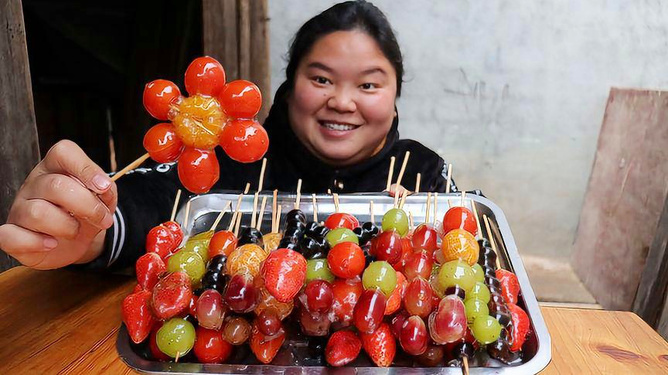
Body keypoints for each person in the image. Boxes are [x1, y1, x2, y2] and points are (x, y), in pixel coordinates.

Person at [0, 1, 457, 271]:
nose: (341, 100)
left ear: (396, 93)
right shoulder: (227, 157)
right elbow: (147, 204)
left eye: (369, 84)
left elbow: (465, 251)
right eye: (320, 79)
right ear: (289, 82)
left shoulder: (423, 171)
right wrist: (88, 229)